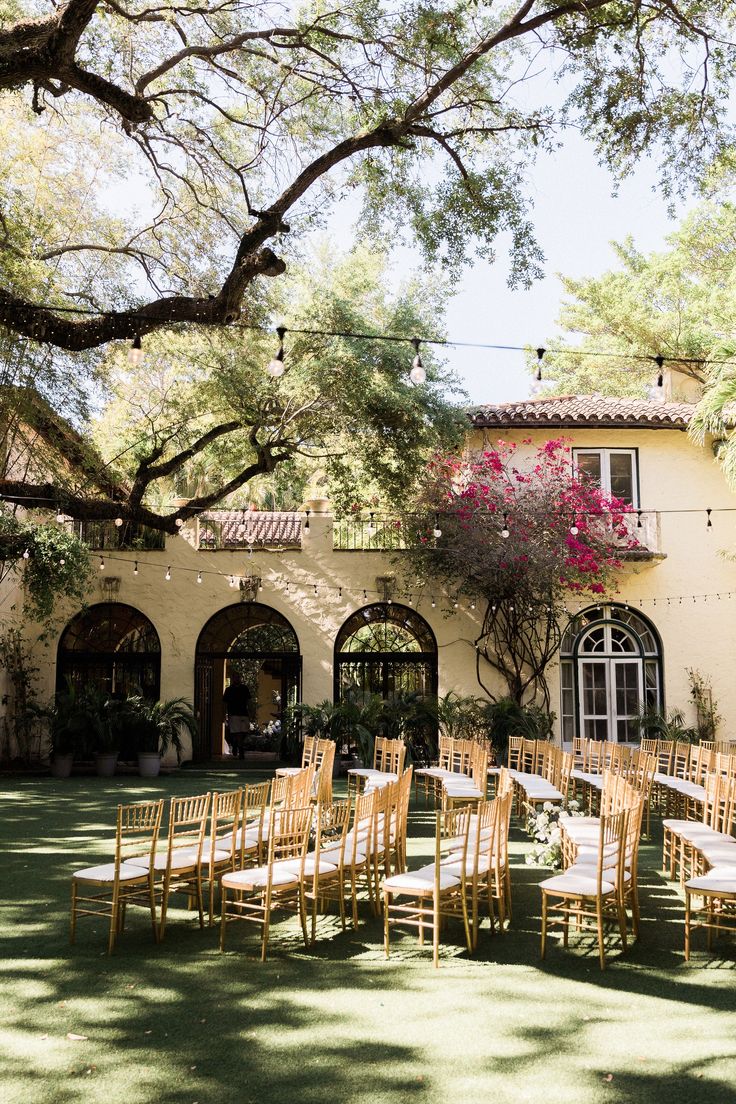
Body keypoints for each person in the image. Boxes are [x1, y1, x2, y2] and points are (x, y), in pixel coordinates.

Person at [223, 672, 252, 759]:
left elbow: (249, 701)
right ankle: (241, 750)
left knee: (244, 732)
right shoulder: (228, 690)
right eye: (235, 677)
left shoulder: (244, 688)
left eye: (238, 677)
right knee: (237, 732)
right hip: (233, 714)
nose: (237, 679)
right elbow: (224, 703)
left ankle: (236, 744)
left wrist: (251, 712)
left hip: (244, 713)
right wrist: (224, 714)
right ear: (233, 678)